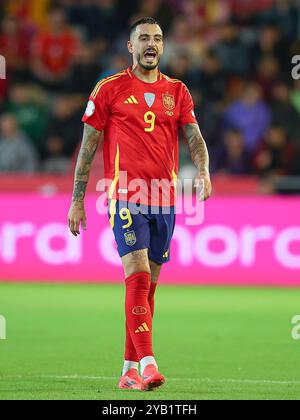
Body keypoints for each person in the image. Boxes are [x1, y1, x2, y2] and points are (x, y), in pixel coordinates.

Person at [68, 17, 211, 392]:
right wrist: (77, 201)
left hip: (165, 199)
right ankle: (149, 363)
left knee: (148, 289)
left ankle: (129, 368)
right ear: (130, 46)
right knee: (137, 271)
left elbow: (194, 137)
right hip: (124, 194)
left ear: (163, 46)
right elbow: (88, 147)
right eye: (144, 38)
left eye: (158, 38)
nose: (152, 44)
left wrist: (204, 171)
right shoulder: (109, 88)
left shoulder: (177, 91)